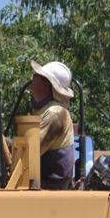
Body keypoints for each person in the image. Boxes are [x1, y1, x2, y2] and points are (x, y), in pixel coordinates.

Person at [30, 61, 75, 190]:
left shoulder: (55, 113)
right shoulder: (44, 110)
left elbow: (32, 152)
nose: (33, 77)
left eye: (37, 75)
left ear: (47, 84)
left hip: (51, 184)